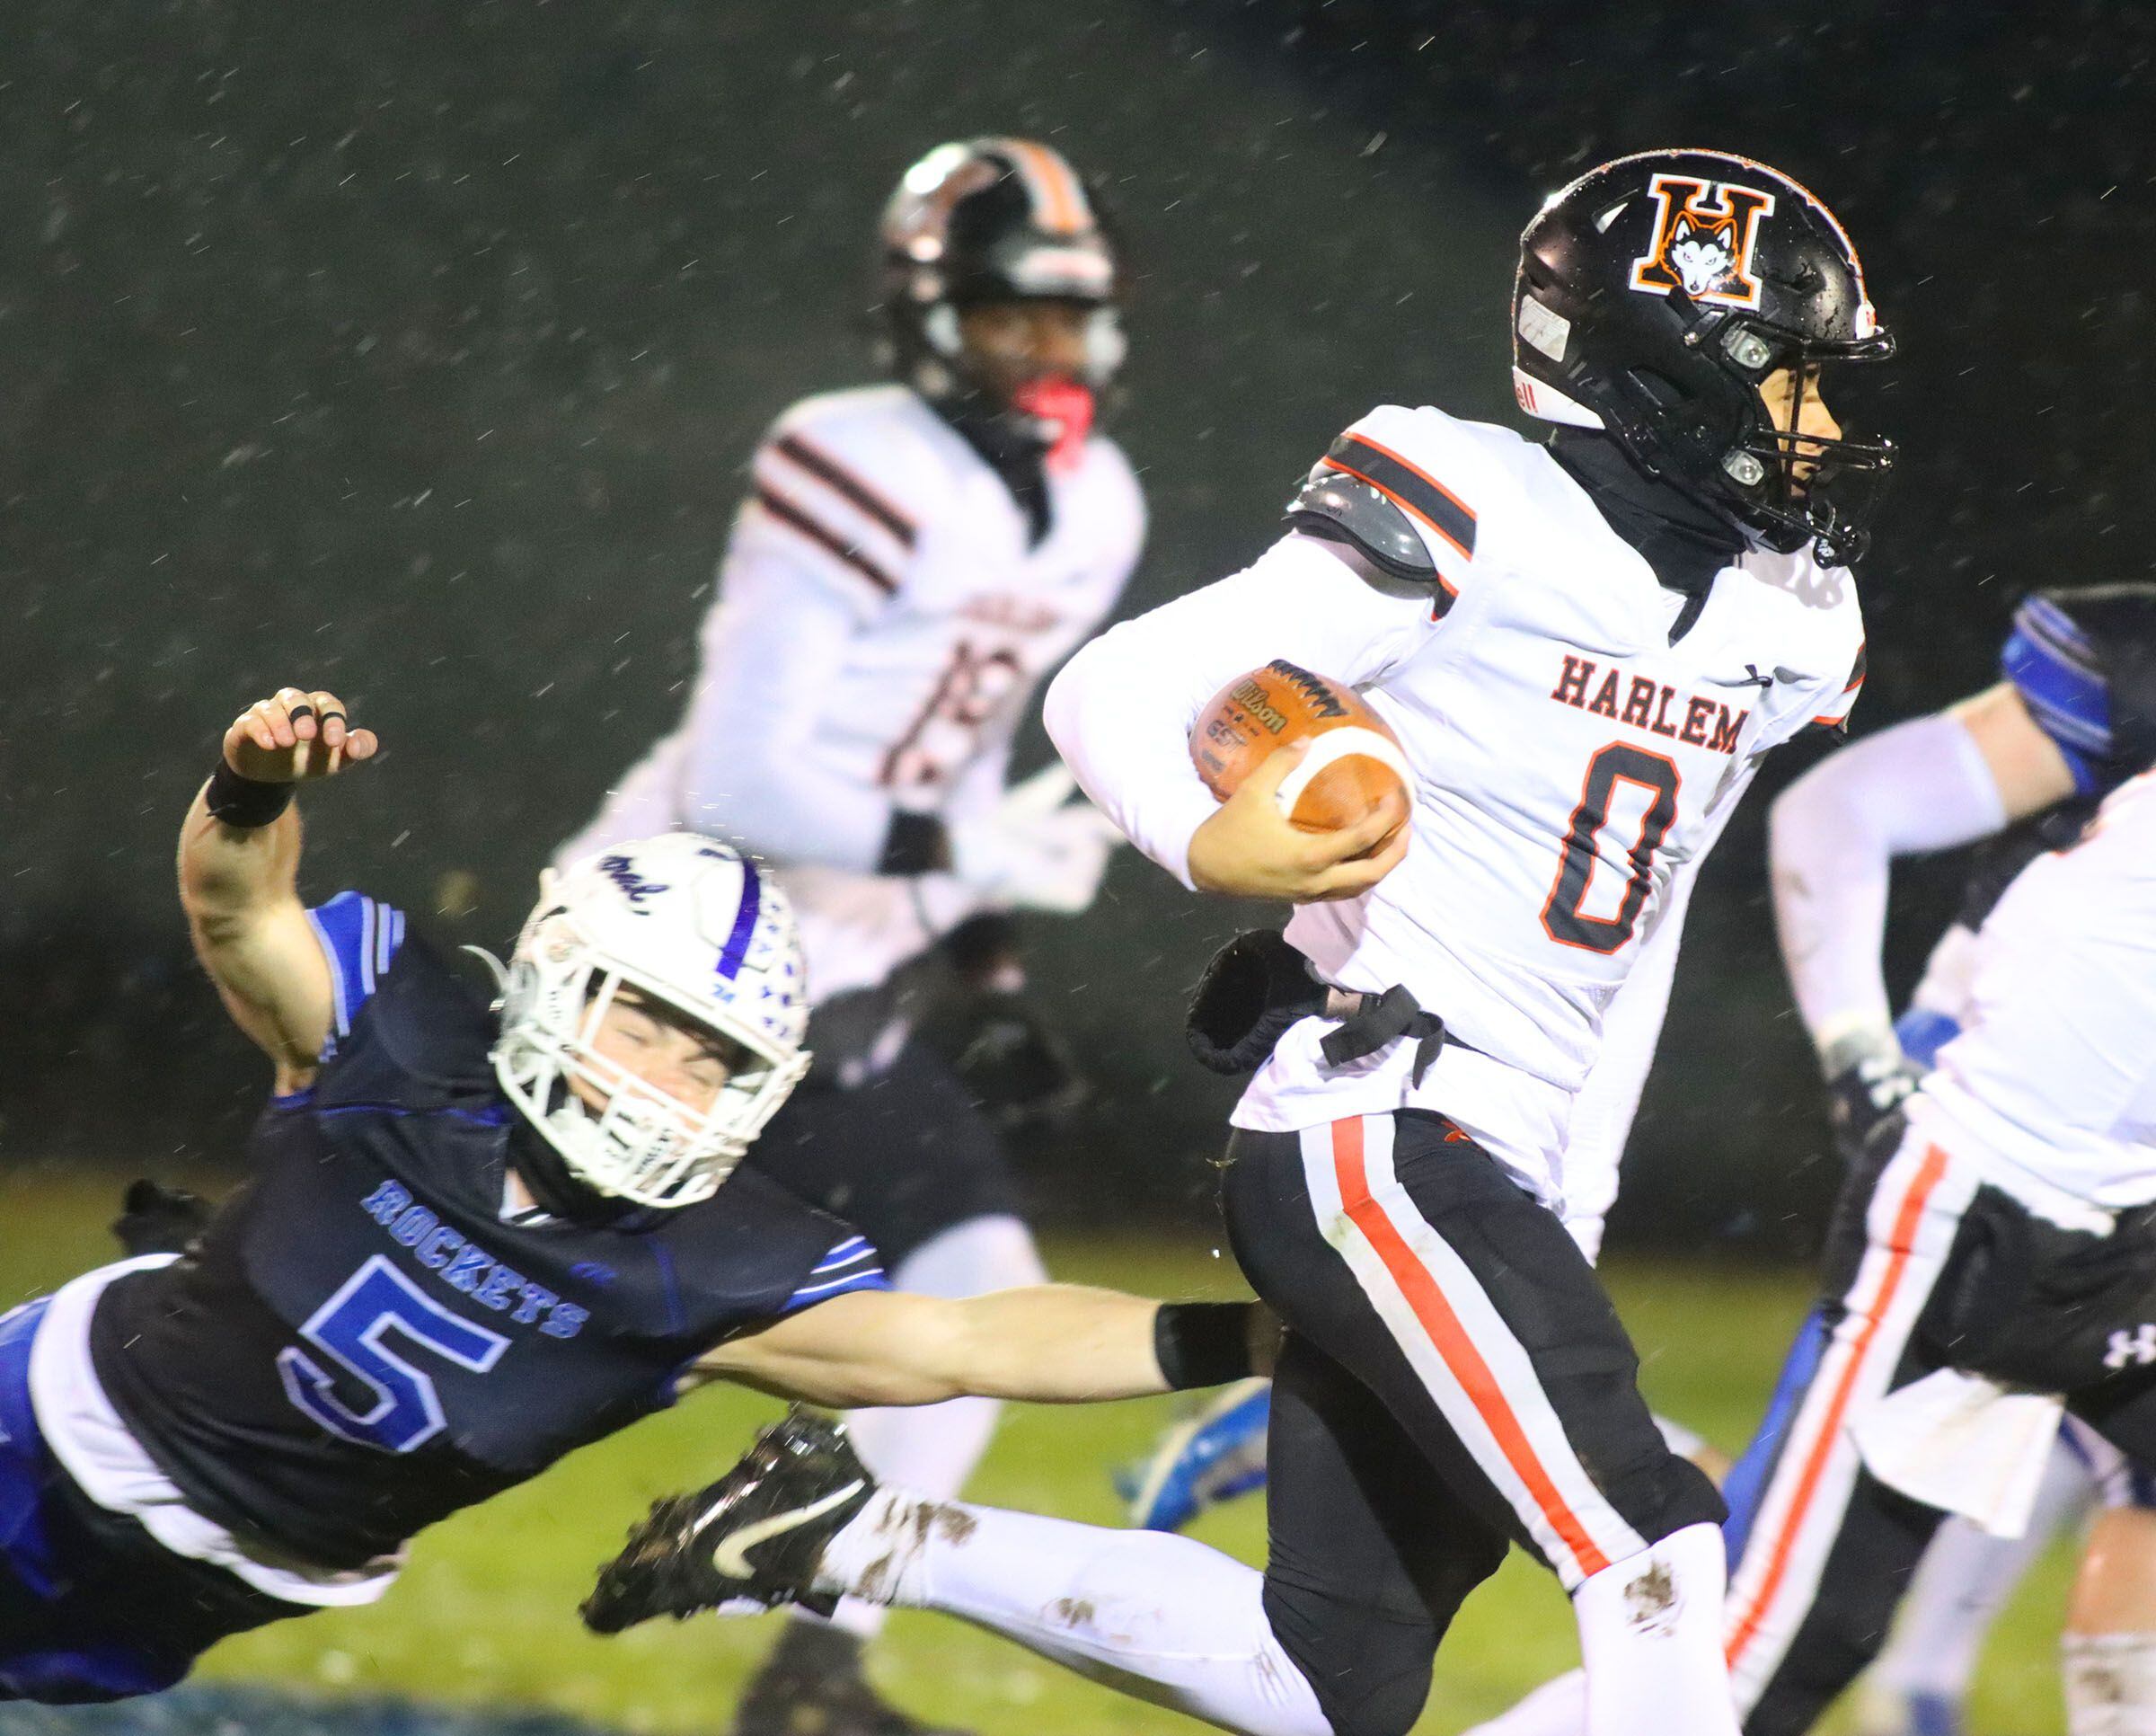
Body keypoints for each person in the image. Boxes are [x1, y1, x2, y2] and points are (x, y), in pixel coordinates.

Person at [579, 149, 1893, 1736]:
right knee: (1657, 1540)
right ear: (1670, 371)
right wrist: (1209, 835)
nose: (1818, 421)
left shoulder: (1791, 620)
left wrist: (1574, 1199)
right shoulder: (1473, 499)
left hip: (1507, 1153)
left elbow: (1650, 922)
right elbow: (1118, 688)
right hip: (1379, 1128)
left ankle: (845, 1529)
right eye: (1793, 377)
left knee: (1327, 1679)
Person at [0, 685, 1261, 1705]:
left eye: (715, 1060)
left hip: (206, 1594)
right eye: (651, 1028)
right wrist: (250, 786)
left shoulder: (702, 1268)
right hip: (42, 1429)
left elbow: (974, 1335)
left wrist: (1267, 1332)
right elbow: (237, 908)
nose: (674, 1081)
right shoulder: (401, 1039)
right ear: (558, 979)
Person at [553, 136, 1143, 1732]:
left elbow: (954, 750)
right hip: (671, 964)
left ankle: (814, 1668)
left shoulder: (1099, 504)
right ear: (932, 312)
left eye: (1066, 319)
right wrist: (966, 845)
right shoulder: (851, 456)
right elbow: (747, 782)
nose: (1048, 352)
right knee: (533, 1322)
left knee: (980, 1297)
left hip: (856, 978)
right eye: (1015, 317)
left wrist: (990, 965)